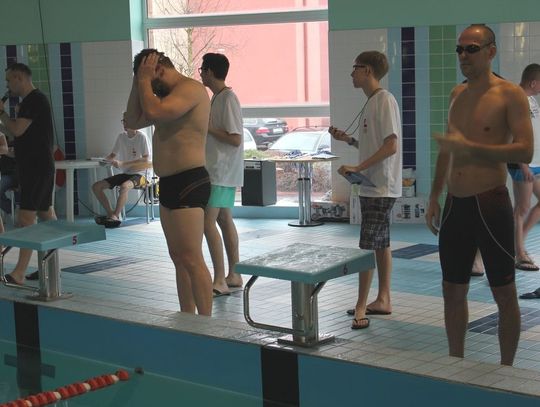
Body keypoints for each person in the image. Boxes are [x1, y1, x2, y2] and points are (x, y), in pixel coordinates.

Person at [425, 25, 533, 366]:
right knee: (452, 289)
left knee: (504, 292)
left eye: (471, 49)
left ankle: (506, 368)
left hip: (490, 203)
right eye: (459, 49)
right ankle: (455, 361)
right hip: (455, 204)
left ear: (490, 51)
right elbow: (448, 149)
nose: (463, 56)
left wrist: (472, 148)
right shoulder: (457, 93)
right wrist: (434, 195)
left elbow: (525, 150)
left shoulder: (510, 95)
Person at [125, 49, 213, 316]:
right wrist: (137, 80)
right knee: (178, 259)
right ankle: (187, 319)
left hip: (190, 181)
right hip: (169, 183)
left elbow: (154, 111)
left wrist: (144, 80)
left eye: (151, 79)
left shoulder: (191, 90)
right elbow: (132, 120)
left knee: (192, 258)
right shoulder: (163, 94)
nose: (149, 87)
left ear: (160, 69)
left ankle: (207, 325)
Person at [329, 50, 402, 330]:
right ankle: (383, 299)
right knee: (381, 244)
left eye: (355, 68)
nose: (352, 73)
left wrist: (358, 167)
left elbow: (391, 145)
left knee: (367, 246)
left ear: (368, 70)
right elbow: (374, 146)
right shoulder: (372, 102)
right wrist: (349, 140)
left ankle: (361, 306)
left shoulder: (384, 100)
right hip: (374, 185)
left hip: (380, 186)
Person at [0, 63, 57, 285]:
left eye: (8, 80)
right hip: (35, 167)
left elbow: (17, 129)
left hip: (37, 168)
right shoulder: (29, 102)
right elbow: (21, 134)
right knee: (46, 216)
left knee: (26, 218)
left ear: (19, 77)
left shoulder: (34, 100)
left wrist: (2, 113)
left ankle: (19, 273)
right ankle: (51, 267)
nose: (7, 86)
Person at [199, 53, 244, 295]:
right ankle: (234, 274)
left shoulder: (228, 98)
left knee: (207, 222)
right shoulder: (217, 98)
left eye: (202, 70)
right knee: (224, 220)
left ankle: (219, 280)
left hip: (221, 171)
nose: (201, 74)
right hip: (217, 170)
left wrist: (208, 128)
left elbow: (235, 139)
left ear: (209, 72)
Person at [508, 64, 540, 272]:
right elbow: (515, 135)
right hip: (523, 164)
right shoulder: (516, 99)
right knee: (522, 208)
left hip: (536, 162)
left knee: (526, 207)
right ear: (533, 82)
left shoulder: (531, 99)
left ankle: (518, 242)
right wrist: (523, 164)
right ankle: (519, 253)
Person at [92, 115, 151, 228]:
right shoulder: (121, 137)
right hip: (126, 173)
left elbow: (145, 159)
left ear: (134, 123)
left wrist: (123, 164)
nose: (124, 124)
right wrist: (103, 160)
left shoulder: (141, 137)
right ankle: (112, 215)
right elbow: (112, 155)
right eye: (123, 121)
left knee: (124, 186)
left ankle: (115, 216)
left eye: (126, 121)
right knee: (96, 186)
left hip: (142, 174)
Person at [0, 132, 18, 219]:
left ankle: (12, 210)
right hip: (3, 175)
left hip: (12, 175)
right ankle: (11, 209)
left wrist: (5, 149)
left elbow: (14, 153)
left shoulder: (16, 143)